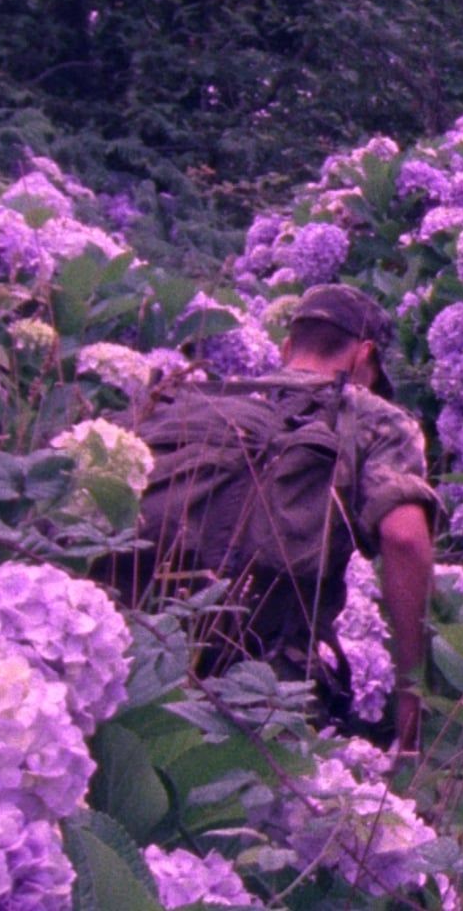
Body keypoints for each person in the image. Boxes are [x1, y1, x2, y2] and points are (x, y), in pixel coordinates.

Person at [129, 284, 437, 749]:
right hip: (258, 689)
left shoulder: (199, 400)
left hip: (139, 649)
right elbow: (405, 538)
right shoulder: (374, 417)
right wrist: (414, 695)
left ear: (287, 347)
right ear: (364, 355)